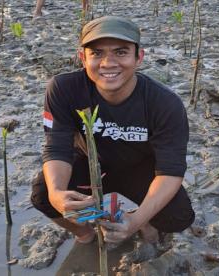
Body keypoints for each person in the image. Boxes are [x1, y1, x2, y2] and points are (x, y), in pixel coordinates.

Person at [31, 16, 195, 245]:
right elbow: (57, 147)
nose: (108, 63)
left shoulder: (164, 103)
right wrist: (57, 193)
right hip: (91, 163)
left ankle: (143, 223)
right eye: (96, 53)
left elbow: (170, 171)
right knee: (43, 194)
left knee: (178, 217)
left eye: (121, 52)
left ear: (139, 57)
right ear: (82, 58)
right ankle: (84, 233)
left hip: (140, 169)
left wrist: (136, 221)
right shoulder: (64, 89)